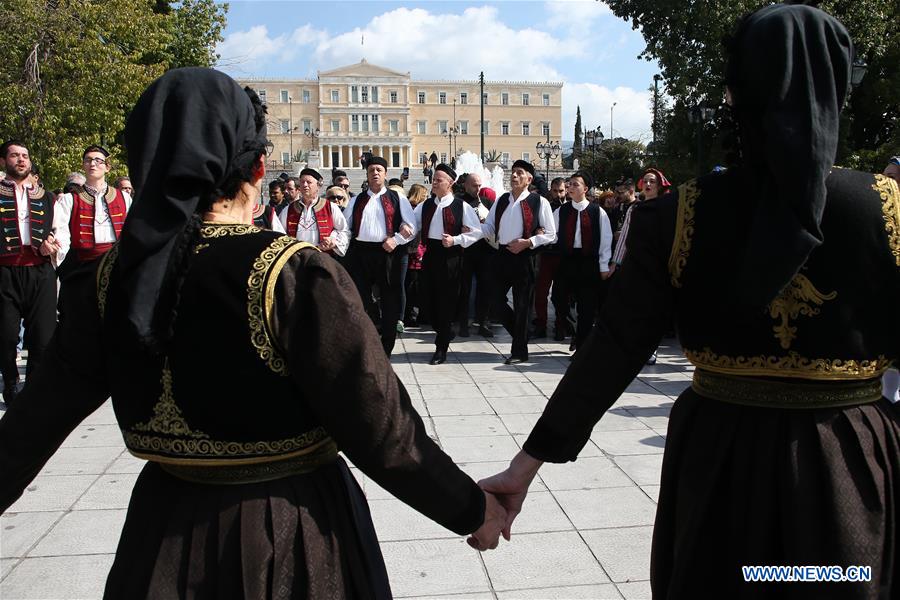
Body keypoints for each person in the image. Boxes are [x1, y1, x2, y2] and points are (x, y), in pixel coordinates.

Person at [0, 68, 507, 598]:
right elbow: (380, 428)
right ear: (259, 167)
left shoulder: (114, 278)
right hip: (289, 534)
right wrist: (472, 508)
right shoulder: (291, 272)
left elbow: (32, 422)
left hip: (160, 538)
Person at [480, 5, 899, 597]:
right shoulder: (888, 207)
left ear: (738, 93)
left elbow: (614, 348)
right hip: (847, 460)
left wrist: (528, 465)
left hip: (723, 461)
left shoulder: (682, 213)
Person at [0, 141, 59, 406]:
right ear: (4, 162)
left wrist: (52, 243)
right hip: (5, 271)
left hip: (40, 271)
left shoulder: (45, 196)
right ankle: (11, 382)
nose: (21, 160)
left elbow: (58, 230)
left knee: (43, 335)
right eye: (14, 156)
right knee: (6, 335)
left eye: (24, 156)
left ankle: (35, 389)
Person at [481, 160, 557, 364]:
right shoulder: (502, 200)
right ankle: (521, 334)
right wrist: (471, 232)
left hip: (525, 257)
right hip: (503, 255)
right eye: (513, 172)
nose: (514, 176)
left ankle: (519, 351)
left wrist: (528, 242)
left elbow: (551, 234)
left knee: (523, 304)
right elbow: (489, 226)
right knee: (495, 300)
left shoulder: (539, 202)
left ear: (529, 179)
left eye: (519, 173)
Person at [343, 156, 416, 356]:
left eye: (379, 170)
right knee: (361, 296)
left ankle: (387, 344)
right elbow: (346, 226)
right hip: (361, 253)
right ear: (366, 174)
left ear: (385, 174)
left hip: (388, 252)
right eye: (371, 170)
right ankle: (371, 333)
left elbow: (412, 227)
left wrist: (397, 240)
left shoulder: (397, 198)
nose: (375, 173)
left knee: (390, 297)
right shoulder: (357, 200)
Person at [413, 164, 483, 365]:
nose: (434, 182)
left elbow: (476, 232)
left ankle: (440, 347)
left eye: (439, 180)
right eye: (434, 179)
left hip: (452, 257)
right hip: (431, 255)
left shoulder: (462, 206)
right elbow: (412, 224)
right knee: (426, 300)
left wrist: (456, 240)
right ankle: (444, 331)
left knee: (446, 303)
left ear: (450, 183)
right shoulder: (425, 205)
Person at [553, 171, 612, 353]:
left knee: (586, 308)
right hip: (567, 261)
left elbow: (605, 240)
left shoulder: (597, 212)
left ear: (585, 189)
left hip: (589, 263)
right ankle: (575, 331)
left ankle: (582, 348)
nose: (570, 187)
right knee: (558, 299)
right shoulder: (561, 211)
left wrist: (603, 266)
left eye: (575, 184)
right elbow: (552, 234)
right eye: (569, 184)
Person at [52, 145, 132, 276]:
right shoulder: (69, 199)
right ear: (83, 166)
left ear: (107, 167)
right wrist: (61, 257)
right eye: (88, 160)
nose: (92, 164)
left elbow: (131, 230)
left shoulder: (123, 197)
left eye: (98, 161)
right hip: (81, 265)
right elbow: (62, 233)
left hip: (116, 263)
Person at [457, 173, 496, 338]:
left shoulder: (487, 202)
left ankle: (484, 322)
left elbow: (495, 223)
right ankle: (463, 322)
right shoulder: (458, 202)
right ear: (465, 185)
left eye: (479, 185)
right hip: (466, 252)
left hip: (485, 252)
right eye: (474, 185)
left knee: (485, 287)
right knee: (464, 289)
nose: (478, 189)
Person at [279, 168, 349, 256]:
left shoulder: (330, 207)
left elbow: (344, 230)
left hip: (323, 258)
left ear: (318, 186)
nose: (305, 185)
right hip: (296, 259)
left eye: (309, 182)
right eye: (302, 182)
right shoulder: (288, 209)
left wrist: (333, 241)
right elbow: (279, 234)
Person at [532, 176, 569, 341]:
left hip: (562, 255)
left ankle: (560, 326)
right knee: (540, 292)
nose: (558, 194)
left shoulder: (568, 208)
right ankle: (541, 324)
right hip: (546, 253)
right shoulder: (544, 205)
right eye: (555, 191)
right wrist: (538, 230)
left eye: (561, 191)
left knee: (561, 294)